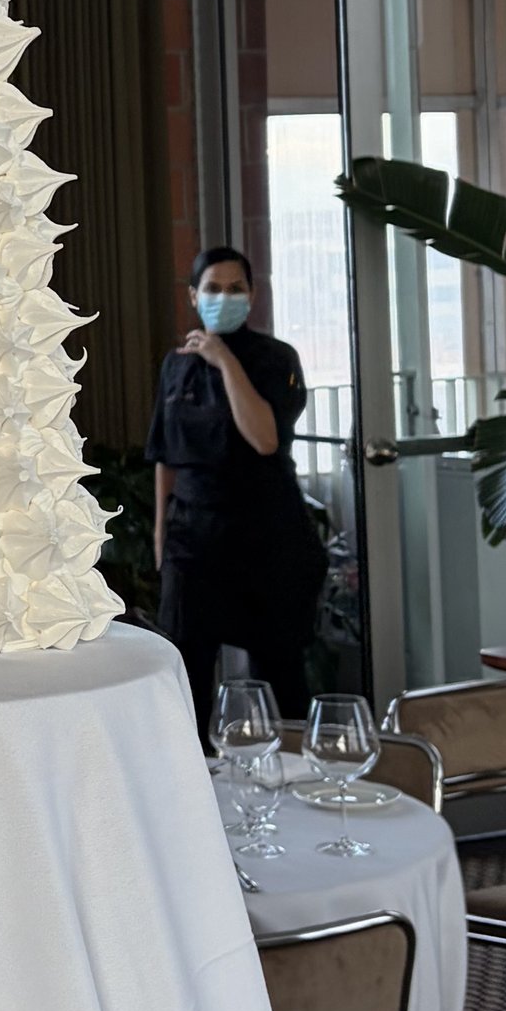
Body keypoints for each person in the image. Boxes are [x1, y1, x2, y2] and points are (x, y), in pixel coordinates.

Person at [146, 243, 328, 737]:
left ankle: (292, 781)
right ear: (193, 295)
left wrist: (225, 361)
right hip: (193, 537)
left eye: (235, 289)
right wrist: (163, 535)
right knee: (186, 671)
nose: (223, 298)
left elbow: (265, 438)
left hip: (268, 536)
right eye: (213, 289)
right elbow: (165, 454)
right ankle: (194, 790)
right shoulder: (176, 364)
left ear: (252, 296)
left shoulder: (275, 358)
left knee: (281, 673)